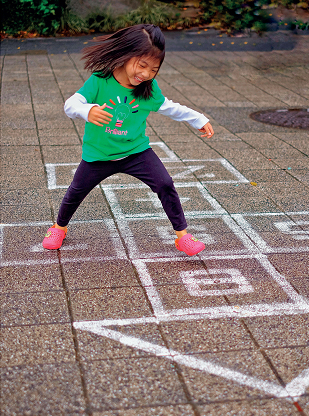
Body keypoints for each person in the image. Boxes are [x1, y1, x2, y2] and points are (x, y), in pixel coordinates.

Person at [42, 24, 214, 256]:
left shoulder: (148, 88)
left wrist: (198, 118)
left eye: (153, 70)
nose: (145, 74)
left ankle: (182, 236)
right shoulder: (100, 80)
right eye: (141, 65)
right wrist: (88, 110)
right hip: (99, 154)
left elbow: (169, 107)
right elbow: (71, 105)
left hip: (135, 151)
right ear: (125, 55)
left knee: (165, 184)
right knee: (76, 191)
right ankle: (58, 227)